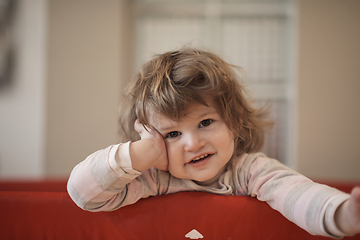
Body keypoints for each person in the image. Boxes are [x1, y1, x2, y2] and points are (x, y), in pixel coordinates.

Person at [67, 48, 360, 238]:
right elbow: (83, 194)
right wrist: (143, 153)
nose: (193, 144)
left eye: (205, 123)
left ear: (235, 121)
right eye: (172, 134)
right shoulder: (153, 179)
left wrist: (343, 214)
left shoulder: (249, 170)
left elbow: (296, 194)